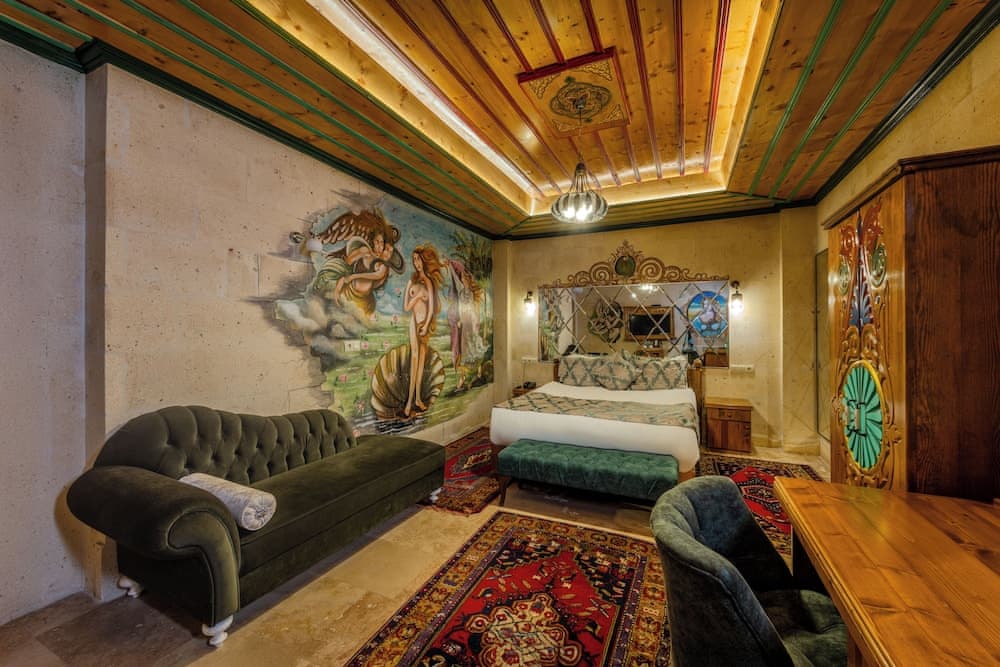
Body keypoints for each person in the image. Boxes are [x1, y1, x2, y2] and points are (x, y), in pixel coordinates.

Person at [403, 245, 443, 417]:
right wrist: (418, 296)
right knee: (414, 359)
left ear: (423, 260)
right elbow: (406, 307)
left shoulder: (429, 282)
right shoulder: (411, 281)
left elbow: (432, 307)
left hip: (424, 324)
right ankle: (408, 402)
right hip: (414, 322)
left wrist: (426, 325)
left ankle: (418, 399)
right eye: (414, 260)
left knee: (420, 364)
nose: (416, 263)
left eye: (418, 259)